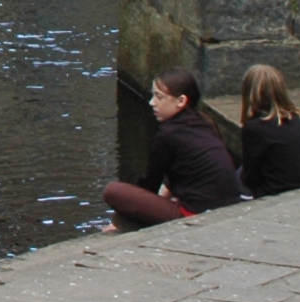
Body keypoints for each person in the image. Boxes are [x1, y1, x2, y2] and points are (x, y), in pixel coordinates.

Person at [102, 67, 242, 229]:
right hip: (228, 207)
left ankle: (120, 225)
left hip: (197, 214)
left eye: (159, 97)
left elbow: (150, 182)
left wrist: (125, 212)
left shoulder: (167, 134)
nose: (151, 103)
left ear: (181, 101)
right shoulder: (204, 122)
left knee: (113, 191)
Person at [238, 64, 300, 197]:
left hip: (273, 191)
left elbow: (250, 176)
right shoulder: (294, 119)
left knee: (227, 179)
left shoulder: (255, 128)